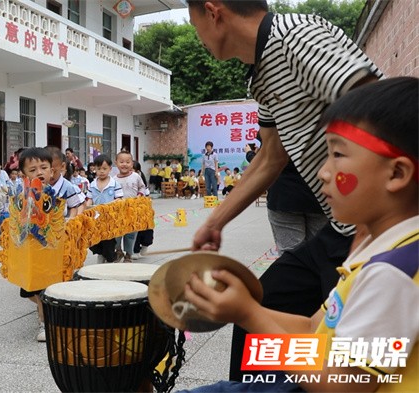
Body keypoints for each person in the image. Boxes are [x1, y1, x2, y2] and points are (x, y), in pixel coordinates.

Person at [176, 77, 418, 393]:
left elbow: (342, 385)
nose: (322, 172)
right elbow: (312, 327)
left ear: (396, 174)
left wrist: (248, 314)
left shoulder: (393, 272)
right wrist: (244, 310)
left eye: (338, 156)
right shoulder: (378, 248)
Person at [185, 0, 383, 382]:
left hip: (372, 232)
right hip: (339, 231)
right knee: (259, 304)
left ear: (213, 13)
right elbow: (271, 156)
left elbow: (380, 111)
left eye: (194, 25)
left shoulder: (295, 36)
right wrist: (215, 221)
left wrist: (372, 233)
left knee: (345, 356)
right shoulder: (262, 72)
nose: (199, 39)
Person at [15, 147, 56, 342]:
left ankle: (45, 322)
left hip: (49, 250)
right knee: (29, 291)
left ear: (52, 171)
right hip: (28, 249)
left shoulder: (52, 193)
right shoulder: (21, 195)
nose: (39, 172)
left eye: (43, 167)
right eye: (32, 170)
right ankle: (43, 307)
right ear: (23, 175)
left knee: (43, 288)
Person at [86, 154, 123, 264]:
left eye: (104, 168)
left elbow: (119, 199)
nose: (101, 171)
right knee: (95, 241)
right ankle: (101, 254)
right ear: (94, 169)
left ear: (110, 169)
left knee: (108, 241)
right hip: (96, 218)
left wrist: (110, 205)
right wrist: (88, 208)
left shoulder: (114, 184)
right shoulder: (92, 185)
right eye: (98, 169)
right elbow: (89, 199)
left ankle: (110, 259)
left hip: (110, 218)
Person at [114, 151, 147, 263]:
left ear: (132, 164)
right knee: (116, 234)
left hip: (132, 211)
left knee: (131, 235)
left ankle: (129, 254)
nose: (124, 164)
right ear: (116, 163)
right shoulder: (113, 180)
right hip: (118, 212)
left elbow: (142, 187)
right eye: (121, 162)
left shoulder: (136, 176)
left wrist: (140, 195)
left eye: (127, 162)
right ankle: (118, 251)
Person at [45, 147, 85, 219]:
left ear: (62, 166)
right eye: (46, 171)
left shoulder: (67, 187)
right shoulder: (39, 186)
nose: (51, 175)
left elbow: (74, 206)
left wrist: (70, 220)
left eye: (54, 171)